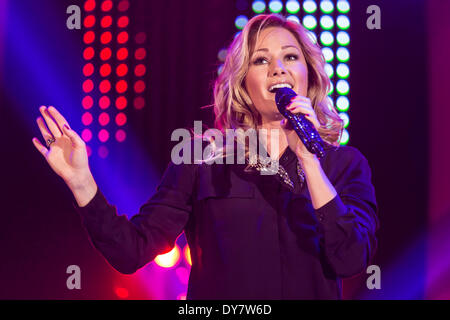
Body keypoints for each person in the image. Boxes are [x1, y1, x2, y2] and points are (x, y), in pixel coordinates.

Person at [32, 14, 379, 299]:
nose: (278, 69)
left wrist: (309, 159)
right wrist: (82, 183)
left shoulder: (345, 164)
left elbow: (350, 258)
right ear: (244, 83)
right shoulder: (201, 160)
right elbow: (131, 250)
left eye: (290, 57)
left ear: (309, 74)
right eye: (261, 60)